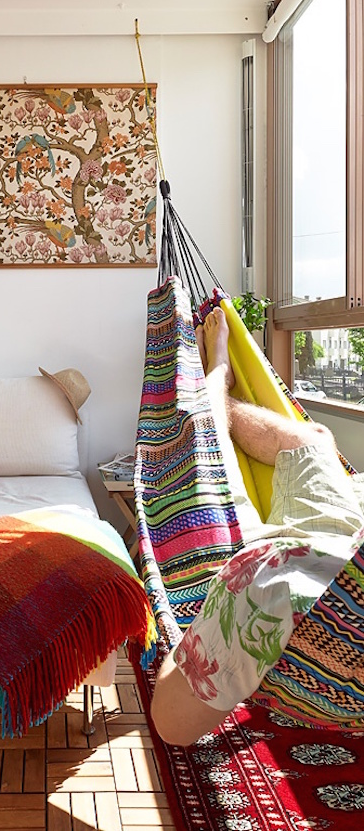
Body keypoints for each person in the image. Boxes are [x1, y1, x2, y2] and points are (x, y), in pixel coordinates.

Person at [150, 307, 364, 746]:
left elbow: (172, 724)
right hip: (345, 549)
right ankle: (222, 392)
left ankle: (216, 378)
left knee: (207, 457)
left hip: (313, 595)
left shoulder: (262, 589)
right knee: (316, 440)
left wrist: (181, 627)